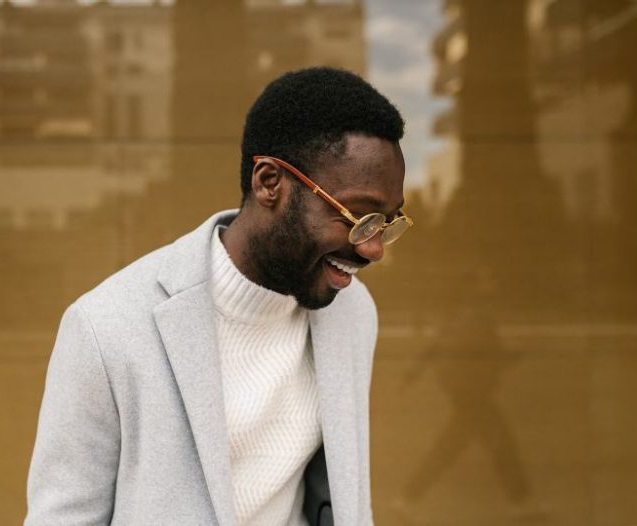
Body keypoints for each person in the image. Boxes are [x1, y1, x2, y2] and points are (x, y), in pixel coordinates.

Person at [25, 67, 410, 526]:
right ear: (269, 182)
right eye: (359, 218)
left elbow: (342, 493)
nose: (373, 248)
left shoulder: (353, 312)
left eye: (387, 223)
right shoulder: (106, 327)